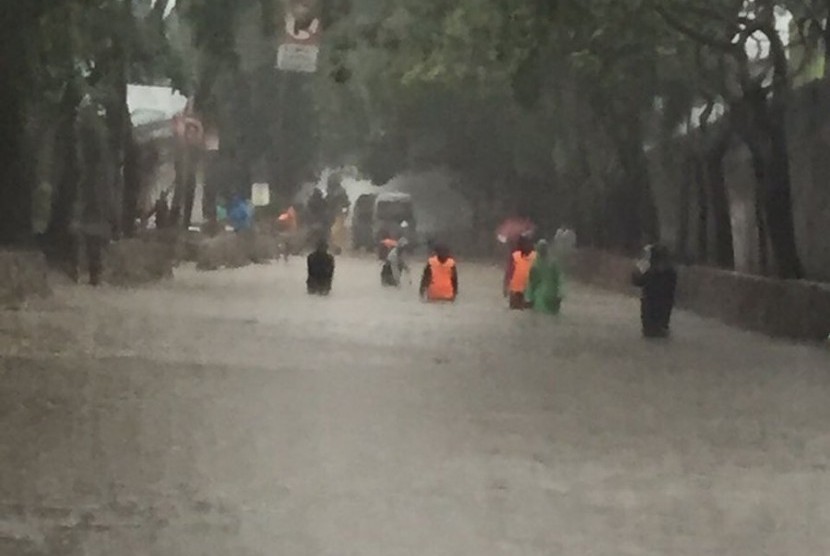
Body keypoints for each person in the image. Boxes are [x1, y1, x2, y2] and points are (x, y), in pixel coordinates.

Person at [632, 243, 678, 338]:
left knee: (652, 330)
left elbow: (636, 280)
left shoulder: (651, 270)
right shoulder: (669, 271)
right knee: (658, 329)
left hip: (653, 308)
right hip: (659, 308)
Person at [525, 239, 564, 315]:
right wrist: (560, 294)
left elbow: (531, 282)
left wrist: (530, 297)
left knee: (541, 317)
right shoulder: (552, 262)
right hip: (551, 296)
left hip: (543, 297)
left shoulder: (535, 263)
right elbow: (560, 280)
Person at [504, 234, 537, 310]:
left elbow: (508, 272)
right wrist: (505, 286)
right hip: (519, 291)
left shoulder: (535, 256)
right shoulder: (515, 256)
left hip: (527, 291)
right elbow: (509, 272)